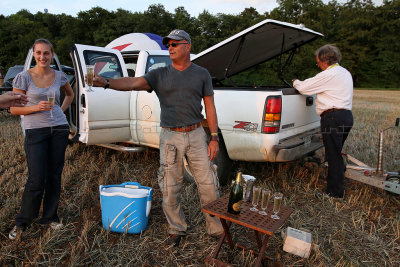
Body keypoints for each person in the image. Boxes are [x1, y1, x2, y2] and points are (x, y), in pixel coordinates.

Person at [92, 29, 223, 246]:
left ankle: (216, 228)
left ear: (187, 47)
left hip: (196, 134)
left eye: (174, 44)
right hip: (170, 137)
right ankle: (176, 228)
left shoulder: (202, 74)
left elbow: (210, 106)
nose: (169, 48)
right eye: (168, 44)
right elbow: (132, 83)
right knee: (170, 186)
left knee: (209, 183)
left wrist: (214, 137)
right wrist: (106, 82)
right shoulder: (159, 74)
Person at [8, 38, 74, 240]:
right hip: (36, 131)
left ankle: (50, 217)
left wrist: (60, 112)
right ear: (34, 54)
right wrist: (36, 108)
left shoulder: (60, 75)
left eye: (46, 53)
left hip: (59, 130)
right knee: (36, 178)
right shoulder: (23, 77)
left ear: (52, 54)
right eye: (39, 53)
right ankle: (22, 222)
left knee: (54, 176)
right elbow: (13, 108)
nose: (43, 57)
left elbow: (70, 96)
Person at [292, 44, 353, 198]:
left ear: (324, 60)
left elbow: (305, 88)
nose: (317, 65)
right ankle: (337, 177)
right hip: (346, 116)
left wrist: (295, 81)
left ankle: (335, 192)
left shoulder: (328, 74)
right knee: (336, 152)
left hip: (333, 118)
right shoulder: (344, 72)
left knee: (333, 156)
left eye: (317, 62)